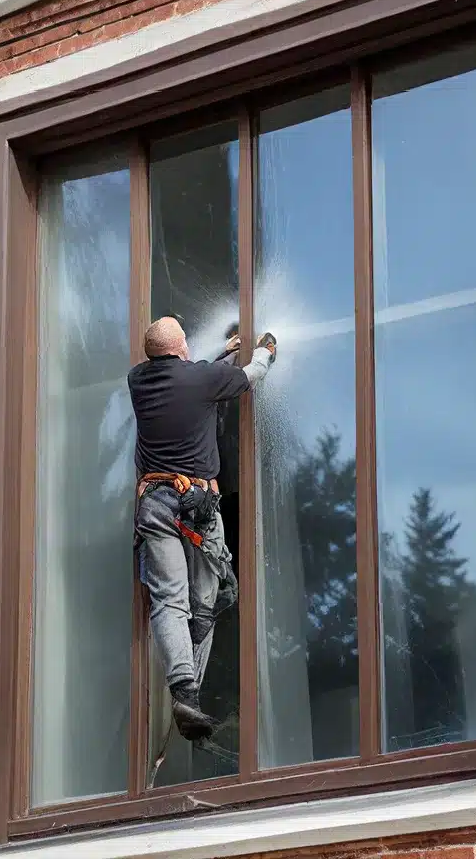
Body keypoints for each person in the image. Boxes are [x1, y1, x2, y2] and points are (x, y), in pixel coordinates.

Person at [129, 316, 276, 740]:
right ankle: (189, 693)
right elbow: (250, 377)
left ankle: (185, 693)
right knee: (203, 603)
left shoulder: (138, 380)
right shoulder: (201, 379)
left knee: (169, 601)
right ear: (181, 348)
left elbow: (188, 382)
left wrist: (218, 356)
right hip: (198, 507)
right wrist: (266, 349)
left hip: (155, 506)